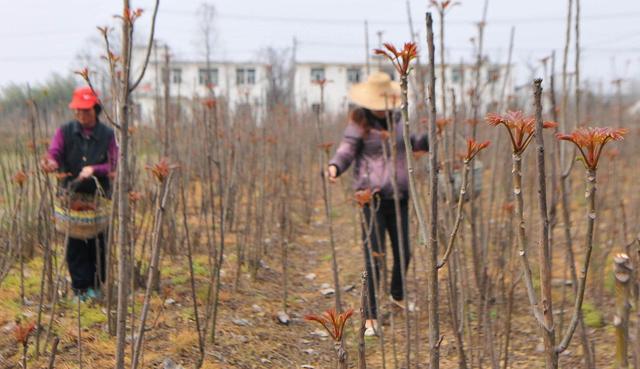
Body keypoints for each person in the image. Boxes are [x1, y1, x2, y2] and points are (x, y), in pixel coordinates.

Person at [326, 71, 428, 336]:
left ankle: (397, 294)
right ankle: (370, 315)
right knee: (374, 257)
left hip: (400, 198)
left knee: (404, 250)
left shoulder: (398, 120)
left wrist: (429, 137)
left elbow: (412, 143)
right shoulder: (359, 123)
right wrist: (335, 167)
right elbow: (346, 149)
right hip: (371, 199)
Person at [42, 86, 118, 301]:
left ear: (96, 109)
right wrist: (51, 163)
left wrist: (95, 169)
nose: (82, 115)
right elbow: (54, 152)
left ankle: (95, 285)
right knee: (74, 244)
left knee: (98, 243)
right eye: (78, 111)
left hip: (98, 197)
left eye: (86, 111)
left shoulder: (108, 135)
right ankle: (80, 289)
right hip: (71, 196)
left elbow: (113, 164)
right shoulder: (65, 132)